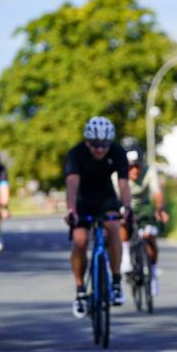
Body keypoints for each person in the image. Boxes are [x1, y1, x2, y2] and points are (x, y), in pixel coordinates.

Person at [64, 116, 132, 317]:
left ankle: (117, 283)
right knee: (80, 241)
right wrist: (71, 210)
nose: (100, 149)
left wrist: (127, 207)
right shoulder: (76, 154)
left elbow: (123, 184)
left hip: (106, 198)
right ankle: (80, 291)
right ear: (87, 141)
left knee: (114, 228)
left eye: (104, 145)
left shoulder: (118, 152)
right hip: (82, 200)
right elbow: (72, 184)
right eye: (95, 145)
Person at [119, 140, 169, 295]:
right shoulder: (117, 174)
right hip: (123, 205)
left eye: (137, 166)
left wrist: (159, 209)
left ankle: (153, 273)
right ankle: (126, 256)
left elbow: (157, 193)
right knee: (123, 222)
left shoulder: (149, 171)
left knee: (150, 236)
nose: (134, 170)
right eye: (130, 166)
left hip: (144, 206)